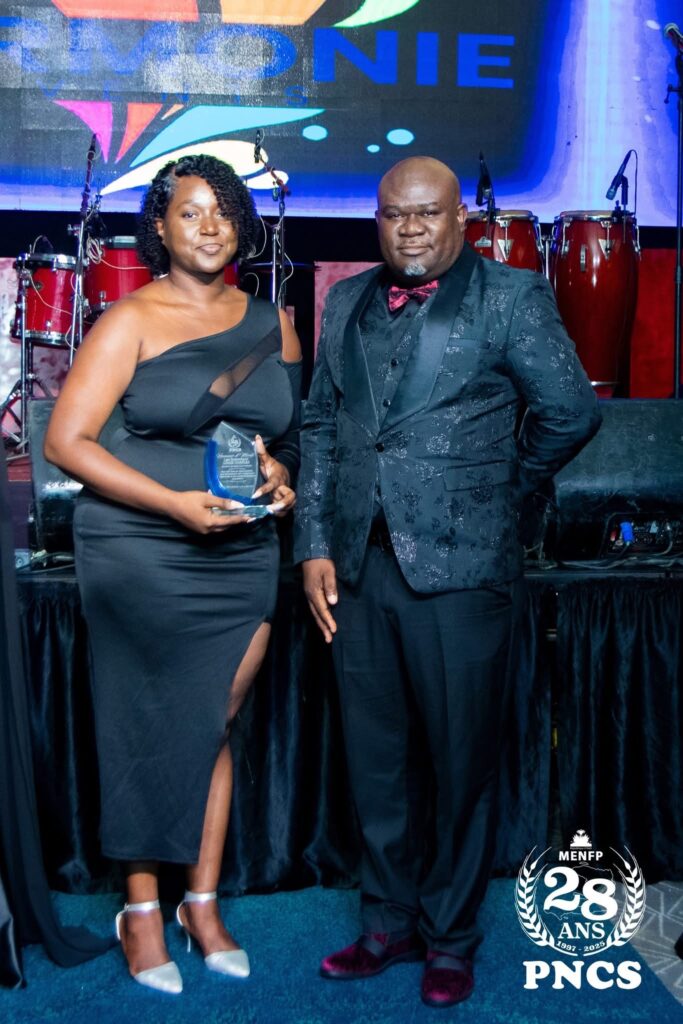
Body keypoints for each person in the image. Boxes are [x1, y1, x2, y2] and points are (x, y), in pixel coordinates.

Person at [294, 156, 601, 1008]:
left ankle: (451, 936)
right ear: (377, 220)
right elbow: (319, 425)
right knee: (376, 764)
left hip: (464, 571)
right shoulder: (345, 300)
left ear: (459, 218)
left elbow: (570, 411)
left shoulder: (511, 296)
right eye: (394, 214)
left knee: (461, 765)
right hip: (358, 569)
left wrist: (502, 488)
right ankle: (386, 923)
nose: (410, 229)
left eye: (427, 213)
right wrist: (312, 543)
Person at [45, 154, 301, 994]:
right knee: (143, 722)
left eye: (223, 211)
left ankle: (202, 902)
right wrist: (173, 505)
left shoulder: (274, 323)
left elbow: (282, 440)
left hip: (242, 553)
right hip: (139, 547)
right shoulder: (130, 319)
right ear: (160, 227)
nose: (209, 226)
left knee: (210, 721)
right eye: (190, 212)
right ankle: (141, 910)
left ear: (242, 227)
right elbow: (66, 442)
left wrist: (281, 476)